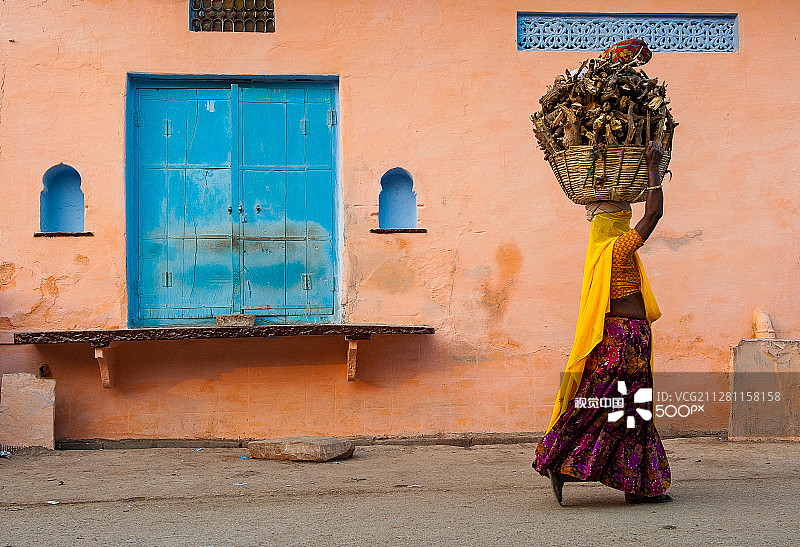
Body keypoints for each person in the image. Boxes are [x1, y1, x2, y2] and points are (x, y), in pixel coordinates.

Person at [533, 141, 672, 505]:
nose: (629, 218)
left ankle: (624, 481)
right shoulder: (619, 249)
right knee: (626, 407)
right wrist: (653, 168)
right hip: (625, 342)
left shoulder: (600, 253)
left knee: (606, 405)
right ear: (615, 223)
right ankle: (566, 464)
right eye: (624, 214)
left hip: (619, 339)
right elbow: (654, 214)